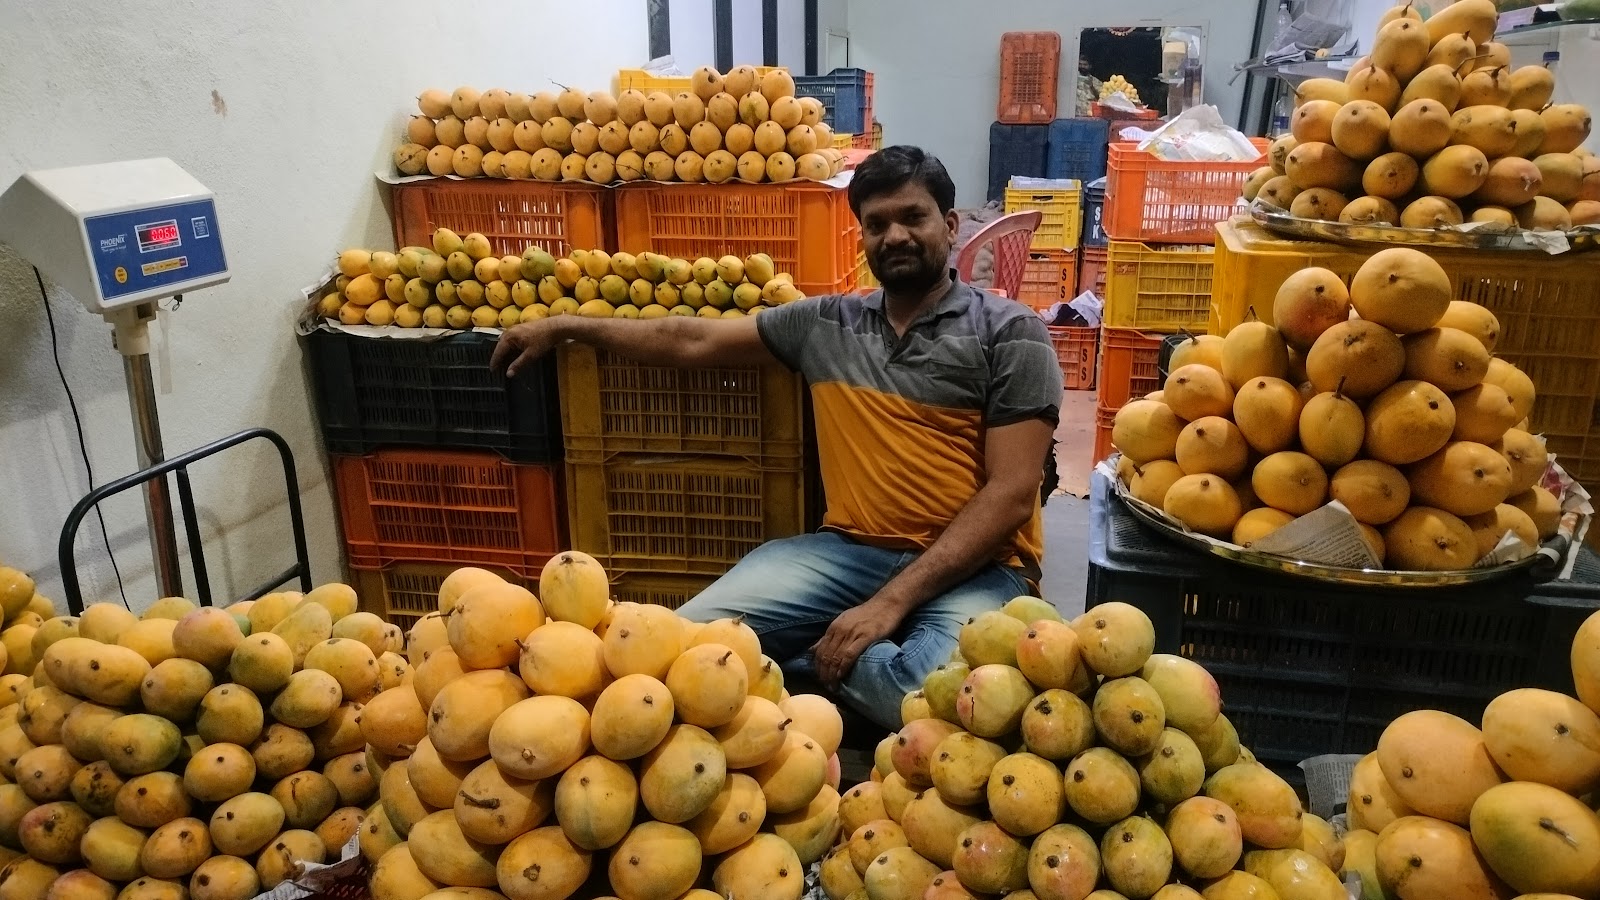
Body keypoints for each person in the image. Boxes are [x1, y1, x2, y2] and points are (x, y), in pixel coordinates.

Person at [492, 146, 1062, 730]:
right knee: (676, 651)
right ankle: (825, 654)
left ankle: (807, 659)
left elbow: (1013, 492)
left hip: (981, 566)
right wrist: (566, 328)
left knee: (925, 701)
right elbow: (692, 341)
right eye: (876, 224)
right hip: (847, 553)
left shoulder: (1012, 333)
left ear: (949, 224)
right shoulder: (825, 324)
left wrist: (890, 603)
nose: (894, 236)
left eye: (912, 217)